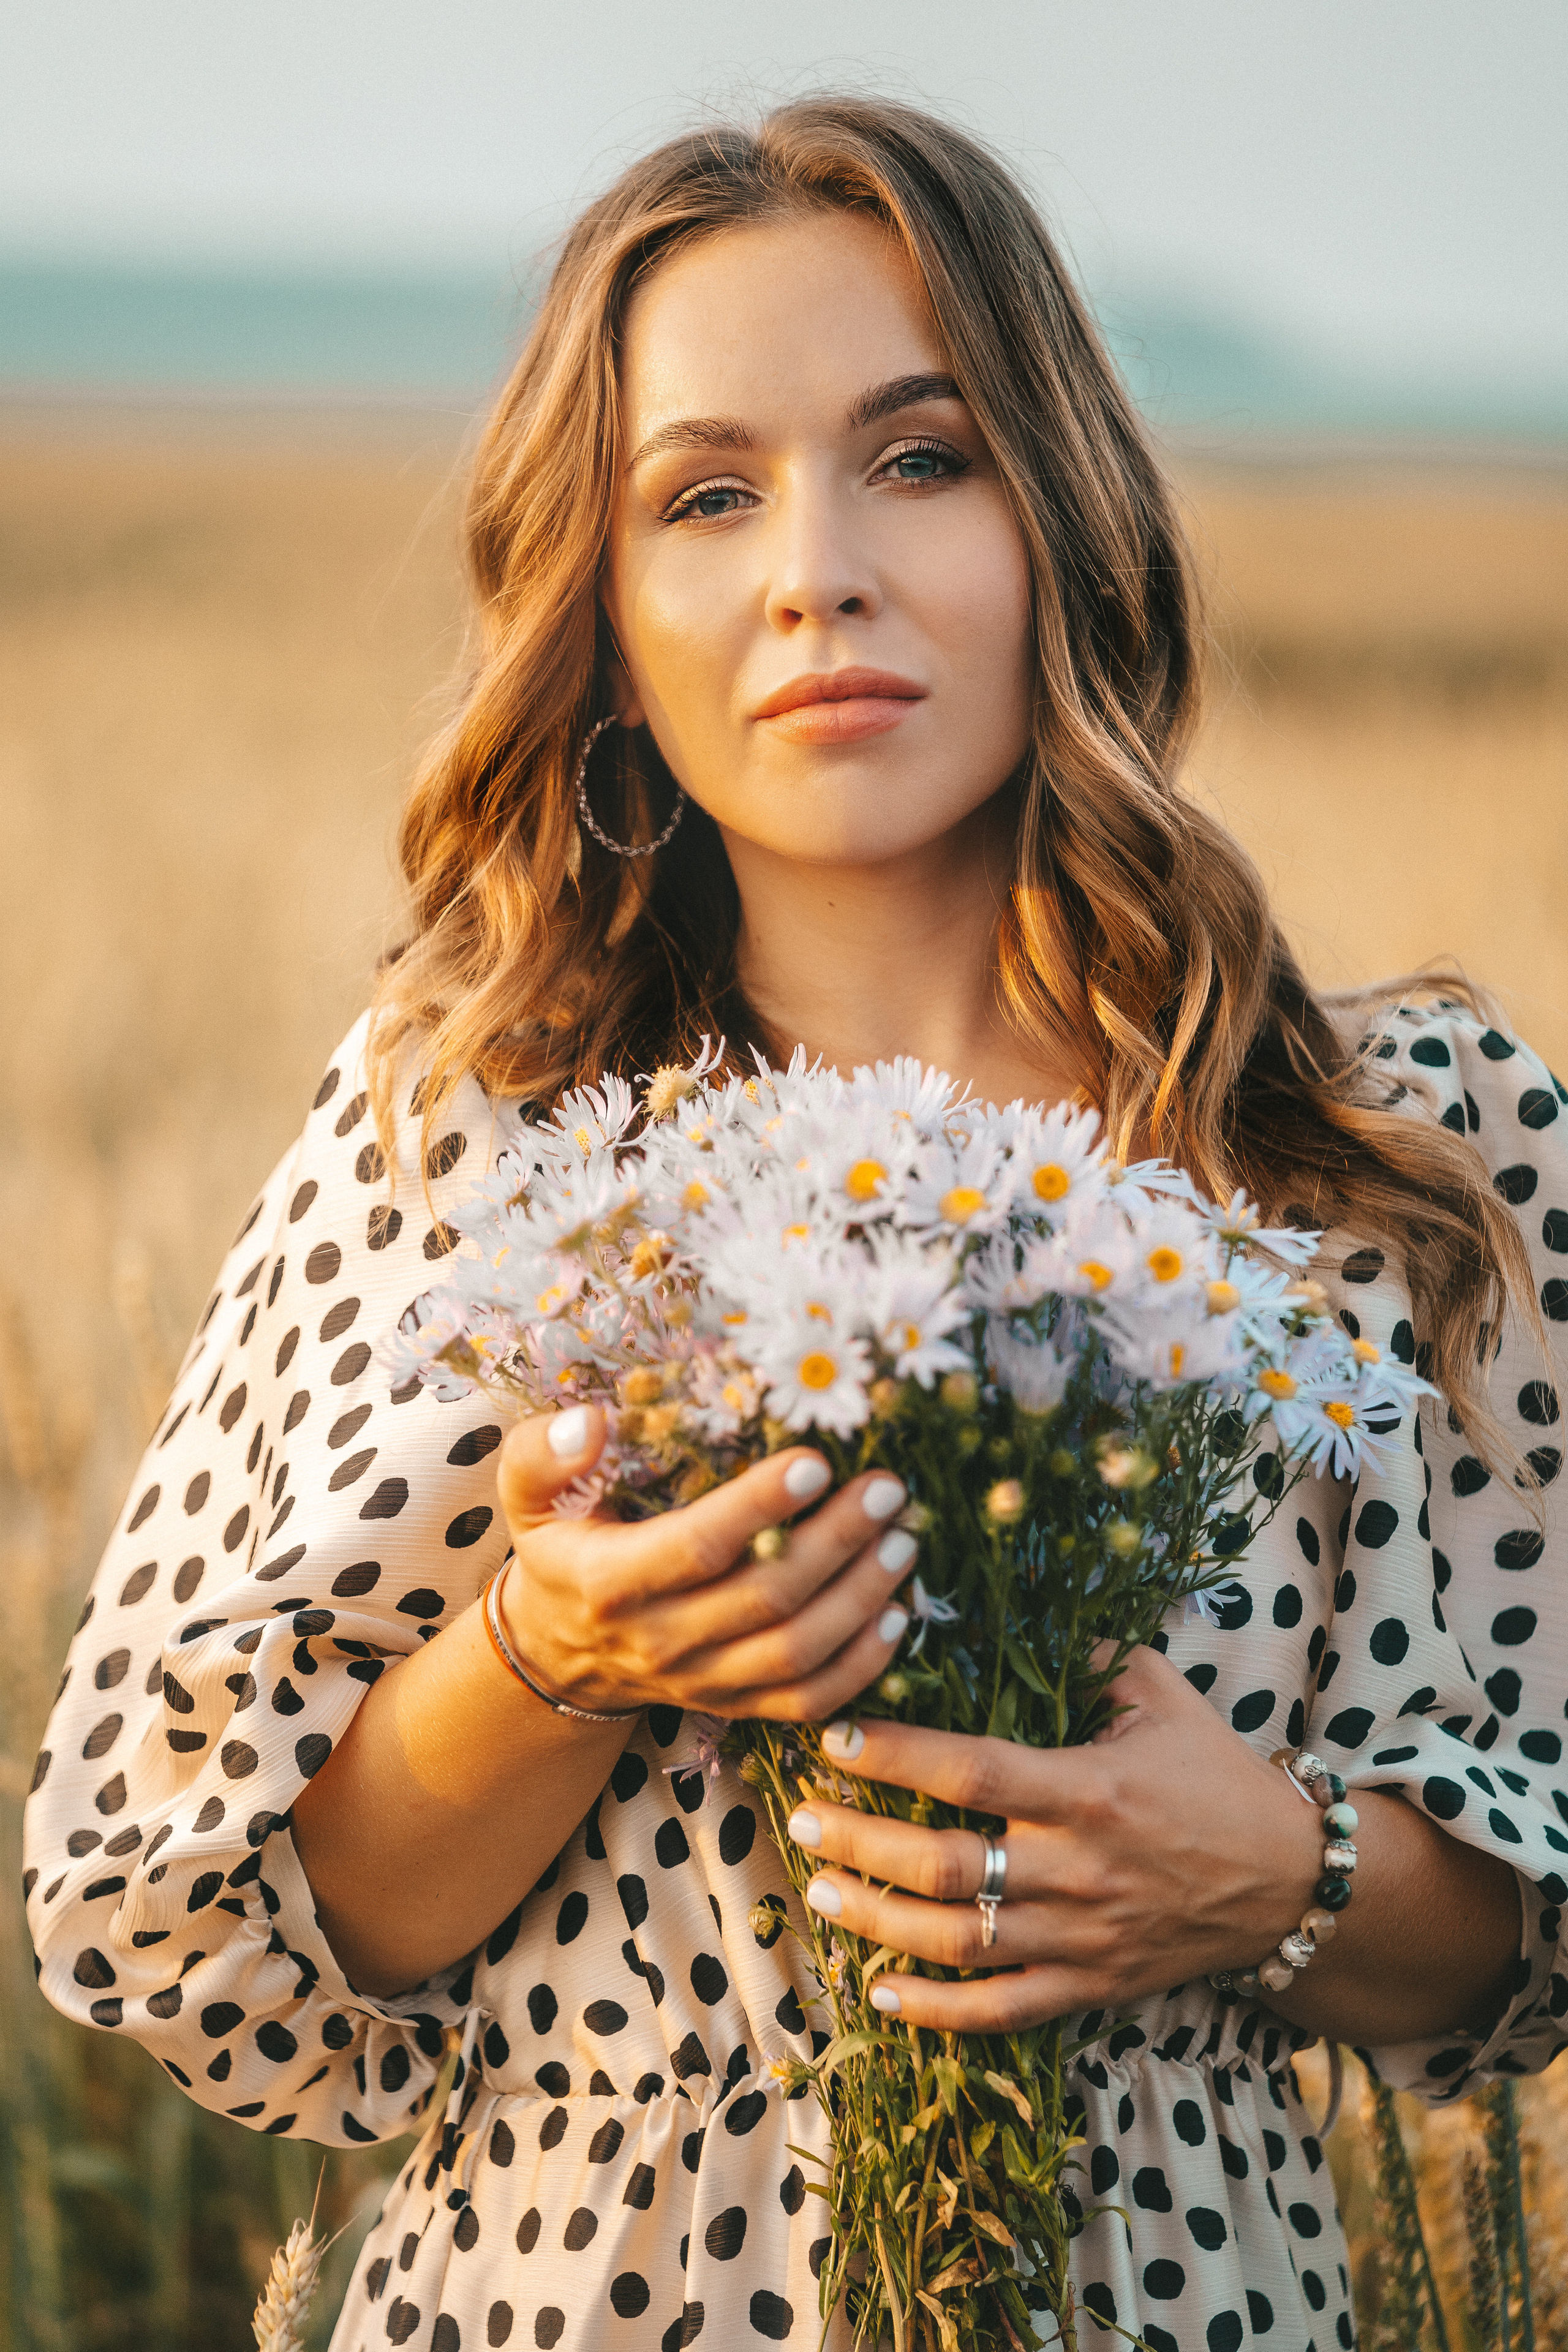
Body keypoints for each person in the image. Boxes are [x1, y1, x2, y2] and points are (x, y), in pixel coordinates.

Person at [25, 96, 1568, 2352]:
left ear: (1068, 512)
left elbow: (1536, 1926)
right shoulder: (472, 1142)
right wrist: (556, 1657)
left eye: (922, 457)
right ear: (611, 608)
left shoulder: (1396, 1149)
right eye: (708, 492)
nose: (813, 570)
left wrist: (1272, 1872)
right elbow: (197, 1926)